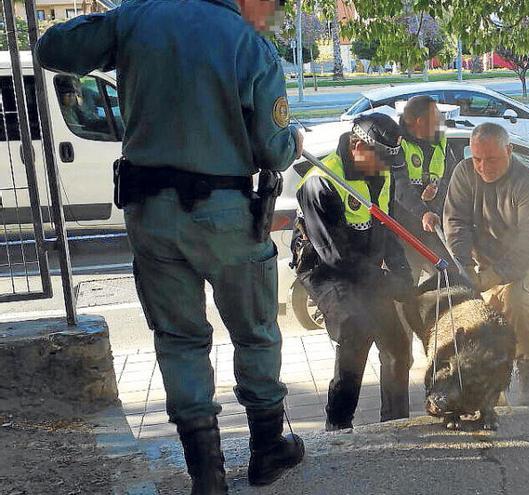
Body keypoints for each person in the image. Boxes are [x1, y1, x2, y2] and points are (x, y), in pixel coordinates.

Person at [36, 0, 306, 492]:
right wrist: (295, 141)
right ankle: (267, 449)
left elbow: (52, 48)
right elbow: (272, 149)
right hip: (226, 216)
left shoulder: (135, 18)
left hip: (151, 211)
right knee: (255, 331)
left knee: (179, 340)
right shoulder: (249, 42)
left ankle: (207, 474)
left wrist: (113, 20)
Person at [293, 113, 413, 432]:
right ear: (358, 146)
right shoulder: (320, 183)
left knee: (398, 346)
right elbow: (335, 257)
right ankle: (338, 426)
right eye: (382, 159)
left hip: (364, 265)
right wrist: (387, 283)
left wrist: (402, 273)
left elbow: (388, 230)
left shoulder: (378, 173)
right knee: (356, 334)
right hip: (325, 268)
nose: (386, 167)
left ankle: (396, 424)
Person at [443, 123, 529, 406]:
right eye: (477, 158)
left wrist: (494, 277)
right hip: (482, 260)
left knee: (518, 302)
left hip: (527, 261)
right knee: (481, 318)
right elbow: (456, 222)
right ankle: (491, 380)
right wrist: (464, 266)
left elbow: (528, 242)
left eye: (491, 159)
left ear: (509, 151)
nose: (482, 166)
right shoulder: (464, 173)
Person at [393, 95, 459, 283]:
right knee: (406, 285)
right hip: (404, 231)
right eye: (436, 114)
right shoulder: (398, 145)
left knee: (450, 277)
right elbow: (399, 186)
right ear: (421, 122)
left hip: (433, 227)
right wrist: (422, 211)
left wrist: (438, 188)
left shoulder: (441, 143)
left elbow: (452, 178)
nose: (441, 118)